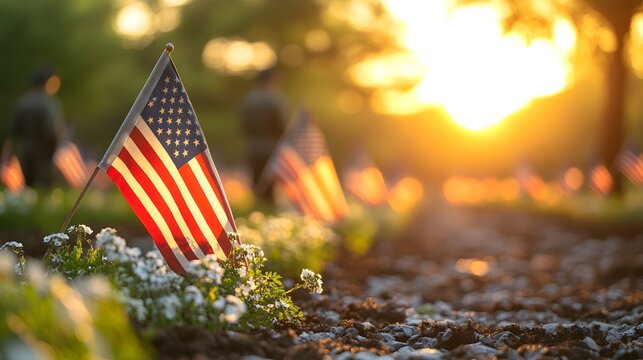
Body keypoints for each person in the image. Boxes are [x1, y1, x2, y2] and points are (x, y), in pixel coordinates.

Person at [7, 67, 64, 187]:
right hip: (44, 153)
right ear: (48, 82)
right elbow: (51, 131)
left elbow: (13, 130)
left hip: (25, 149)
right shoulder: (49, 104)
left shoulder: (22, 103)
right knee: (44, 187)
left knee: (28, 186)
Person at [239, 67, 288, 201]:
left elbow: (243, 126)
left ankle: (258, 210)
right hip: (271, 148)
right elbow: (282, 126)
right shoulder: (274, 99)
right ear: (272, 80)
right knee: (269, 188)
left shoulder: (249, 99)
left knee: (257, 186)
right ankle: (268, 213)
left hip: (252, 148)